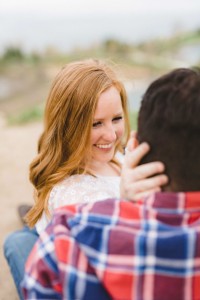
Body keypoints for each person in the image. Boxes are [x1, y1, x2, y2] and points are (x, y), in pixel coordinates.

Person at [22, 67, 200, 300]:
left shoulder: (118, 158)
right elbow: (108, 239)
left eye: (116, 119)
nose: (112, 135)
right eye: (96, 124)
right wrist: (125, 201)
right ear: (69, 126)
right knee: (17, 246)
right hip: (67, 266)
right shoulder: (71, 194)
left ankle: (29, 224)